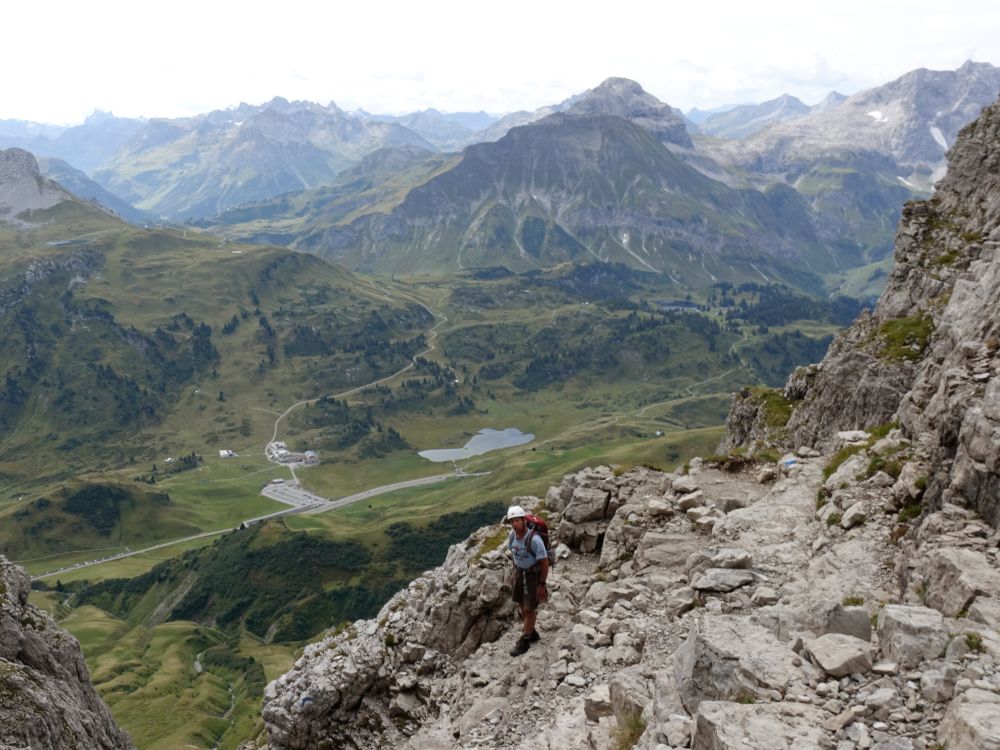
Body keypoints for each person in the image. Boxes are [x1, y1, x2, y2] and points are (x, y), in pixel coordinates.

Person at [505, 505, 549, 656]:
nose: (514, 524)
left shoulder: (534, 539)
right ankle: (532, 632)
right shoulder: (512, 536)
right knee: (521, 605)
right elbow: (513, 553)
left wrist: (541, 585)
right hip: (519, 572)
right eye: (512, 522)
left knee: (530, 609)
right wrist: (514, 572)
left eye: (517, 520)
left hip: (532, 575)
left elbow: (544, 562)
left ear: (524, 520)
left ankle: (525, 640)